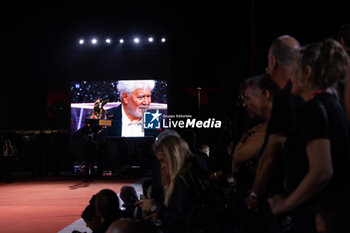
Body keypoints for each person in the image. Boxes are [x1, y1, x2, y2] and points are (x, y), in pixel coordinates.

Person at [268, 39, 350, 232]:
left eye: (295, 70)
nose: (290, 79)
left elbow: (322, 171)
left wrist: (286, 204)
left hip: (315, 217)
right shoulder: (333, 105)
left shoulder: (314, 109)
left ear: (307, 73)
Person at [246, 35, 304, 210]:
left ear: (273, 61)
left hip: (287, 198)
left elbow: (272, 154)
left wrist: (255, 194)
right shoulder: (310, 92)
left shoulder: (285, 98)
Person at [138, 135, 215, 233]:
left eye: (162, 161)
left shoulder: (182, 180)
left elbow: (180, 218)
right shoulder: (190, 174)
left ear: (172, 157)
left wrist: (153, 208)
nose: (162, 167)